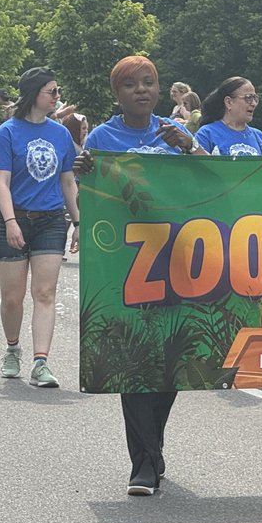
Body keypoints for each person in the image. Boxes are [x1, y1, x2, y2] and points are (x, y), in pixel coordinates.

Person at [81, 55, 204, 496]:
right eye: (132, 85)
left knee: (169, 359)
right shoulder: (102, 136)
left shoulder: (176, 134)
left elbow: (218, 181)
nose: (142, 91)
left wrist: (189, 147)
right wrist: (82, 173)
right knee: (130, 360)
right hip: (122, 265)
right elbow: (91, 188)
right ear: (118, 94)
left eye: (149, 83)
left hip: (175, 260)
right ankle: (144, 465)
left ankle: (153, 447)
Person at [0, 68, 80, 389]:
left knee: (45, 293)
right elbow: (1, 181)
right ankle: (13, 348)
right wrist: (11, 221)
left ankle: (41, 362)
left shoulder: (60, 133)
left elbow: (68, 181)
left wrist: (78, 221)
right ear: (33, 94)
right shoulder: (7, 132)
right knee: (12, 298)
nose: (57, 97)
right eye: (51, 92)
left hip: (51, 220)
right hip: (12, 220)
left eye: (57, 91)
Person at [195, 77, 262, 155]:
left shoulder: (259, 137)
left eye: (255, 98)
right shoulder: (207, 134)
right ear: (229, 102)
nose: (254, 103)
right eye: (248, 98)